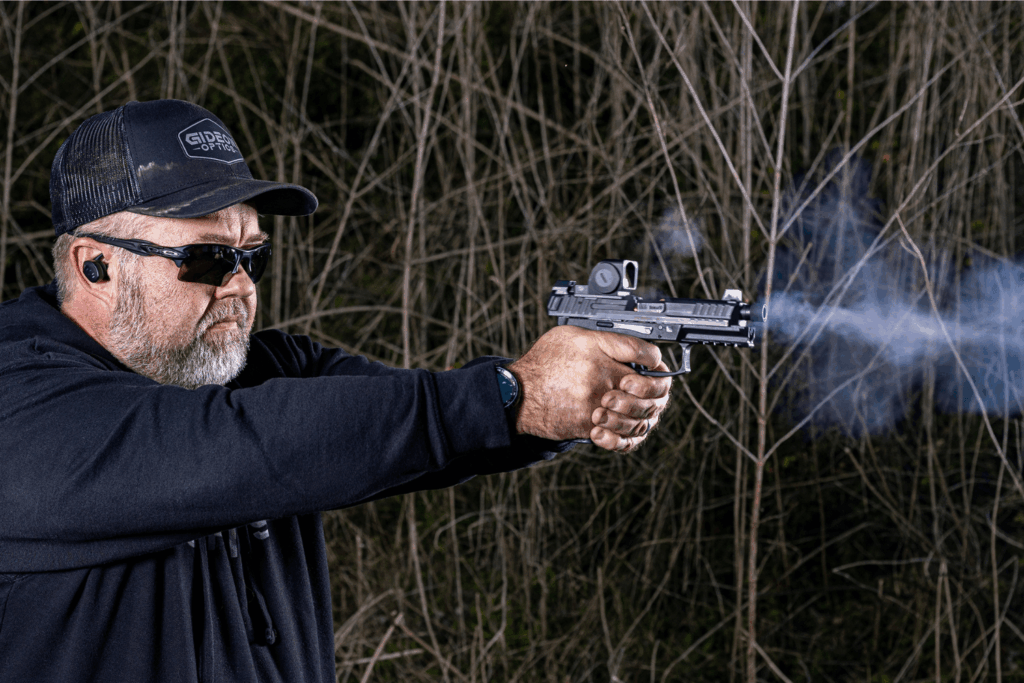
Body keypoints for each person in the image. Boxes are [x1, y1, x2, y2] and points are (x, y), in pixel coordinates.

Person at [0, 100, 671, 682]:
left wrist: (548, 407)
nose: (241, 286)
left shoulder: (259, 368)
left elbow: (411, 422)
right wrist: (513, 393)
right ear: (97, 265)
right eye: (205, 258)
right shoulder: (19, 406)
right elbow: (237, 445)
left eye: (252, 256)